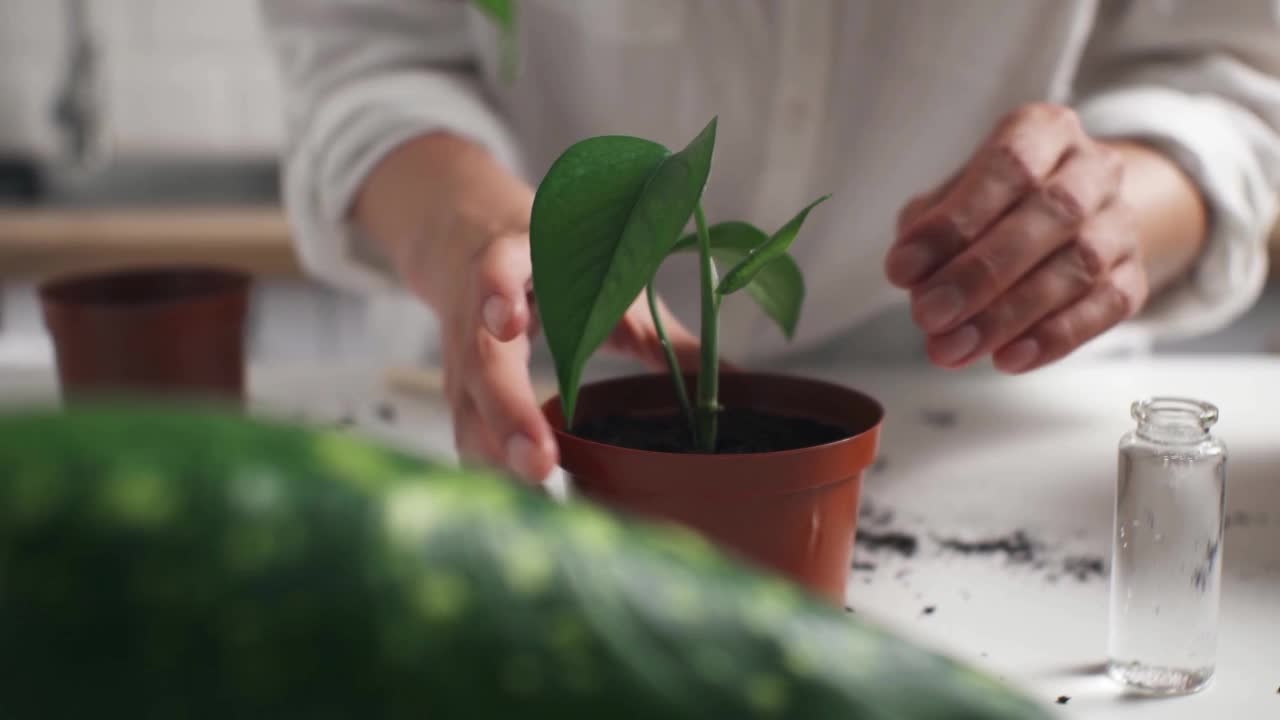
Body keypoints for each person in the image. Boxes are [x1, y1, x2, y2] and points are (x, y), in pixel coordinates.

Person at [259, 1, 1280, 482]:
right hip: (554, 406)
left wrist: (1104, 209)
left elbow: (1225, 82)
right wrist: (472, 226)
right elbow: (364, 57)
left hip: (1010, 424)